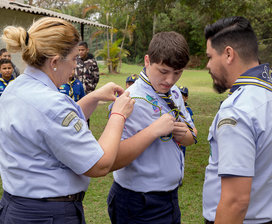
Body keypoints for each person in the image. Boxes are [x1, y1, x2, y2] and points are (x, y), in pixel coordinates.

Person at [0, 17, 134, 224]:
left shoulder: (15, 89)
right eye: (74, 58)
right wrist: (118, 115)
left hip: (16, 207)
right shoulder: (51, 103)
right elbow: (99, 165)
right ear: (55, 62)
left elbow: (51, 125)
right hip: (48, 215)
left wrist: (93, 97)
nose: (75, 67)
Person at [107, 31, 198, 224]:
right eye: (163, 71)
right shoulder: (129, 99)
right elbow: (112, 159)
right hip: (138, 202)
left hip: (169, 198)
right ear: (147, 61)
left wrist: (185, 134)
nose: (170, 80)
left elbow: (192, 135)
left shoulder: (173, 93)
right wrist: (154, 131)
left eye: (178, 73)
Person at [203, 16, 272, 223]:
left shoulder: (238, 110)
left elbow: (235, 201)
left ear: (228, 54)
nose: (208, 65)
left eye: (209, 57)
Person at [0, 58, 14, 175]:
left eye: (9, 68)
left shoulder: (16, 82)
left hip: (12, 118)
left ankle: (8, 165)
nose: (7, 71)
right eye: (4, 68)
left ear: (13, 69)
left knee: (10, 142)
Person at [178, 86, 194, 158]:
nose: (180, 99)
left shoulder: (187, 111)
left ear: (186, 98)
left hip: (182, 137)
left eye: (182, 96)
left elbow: (190, 127)